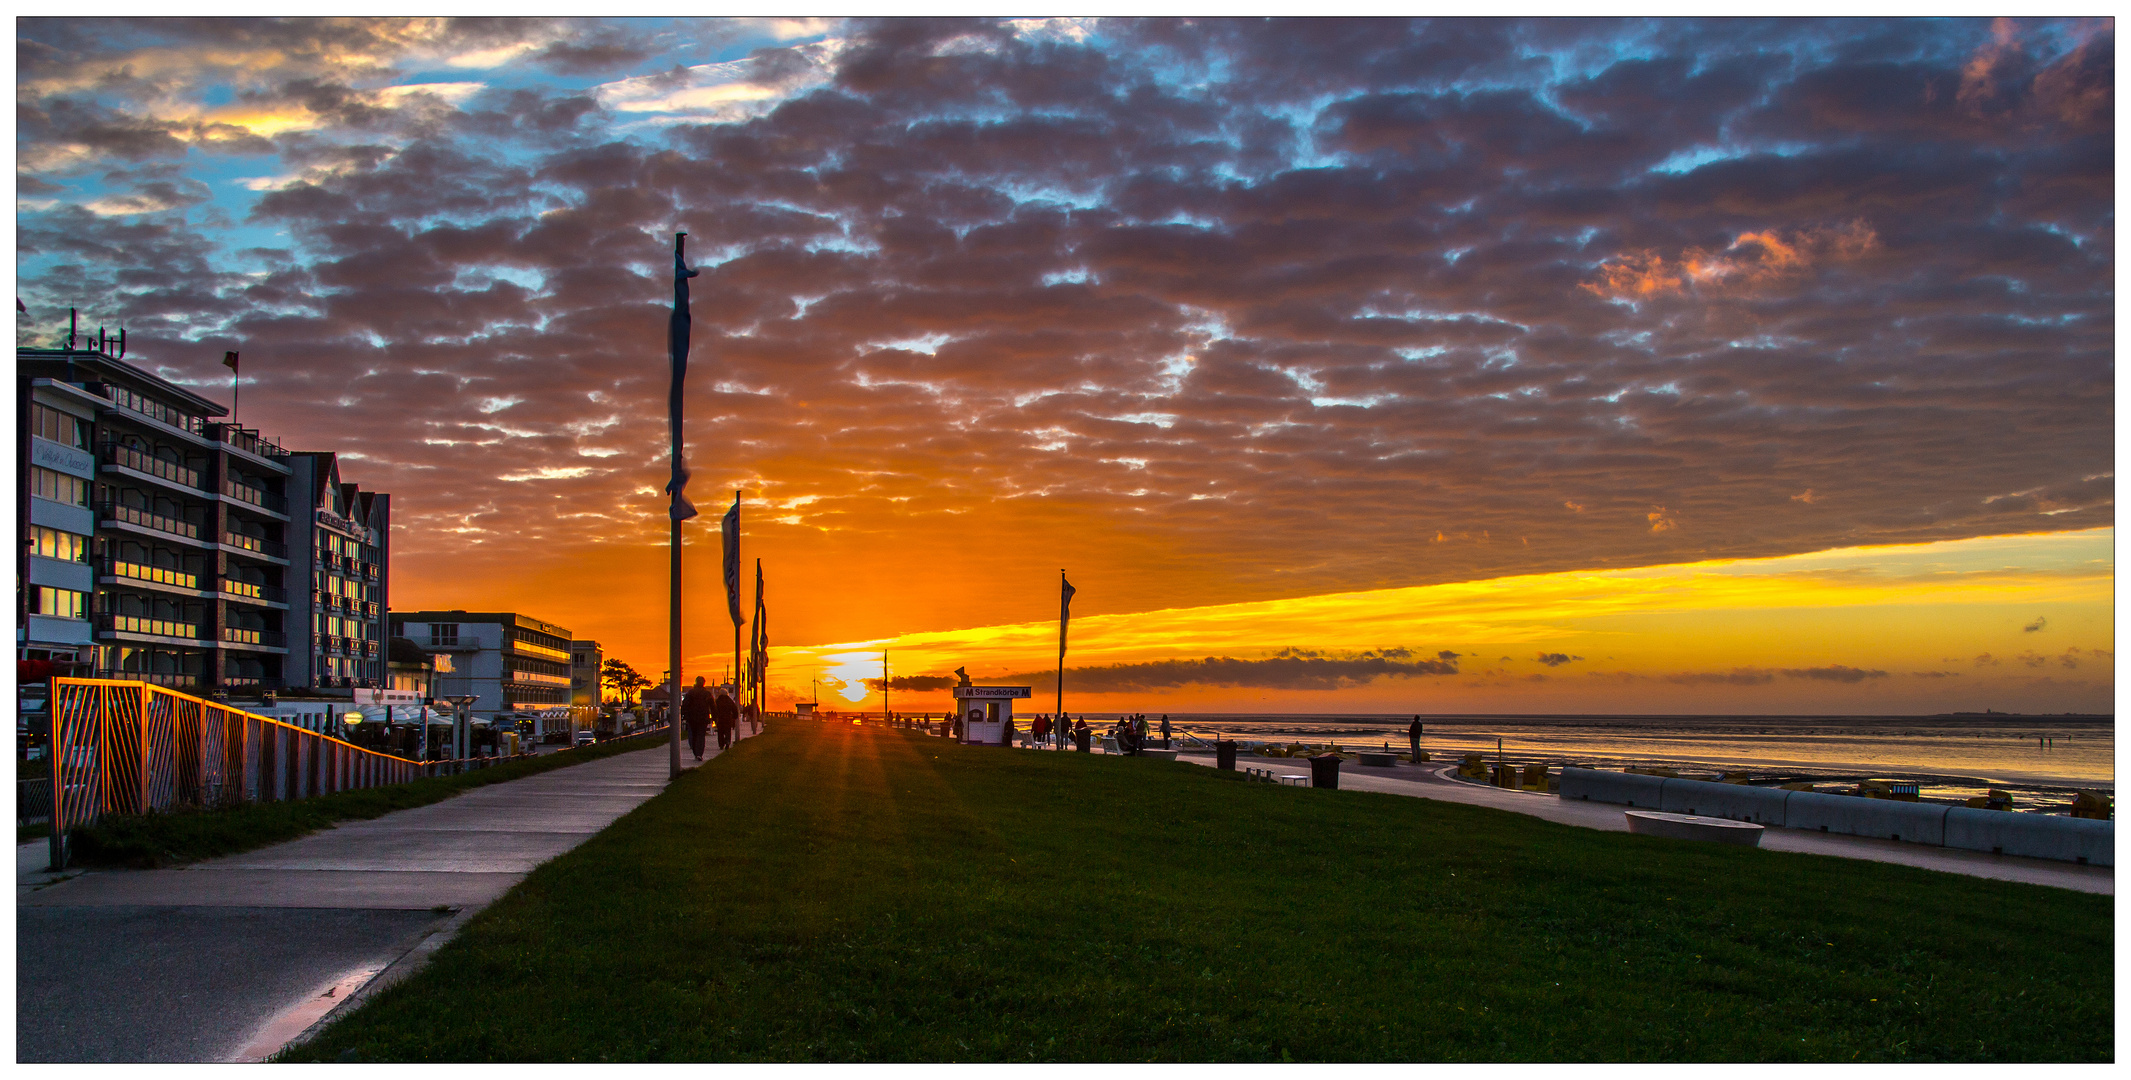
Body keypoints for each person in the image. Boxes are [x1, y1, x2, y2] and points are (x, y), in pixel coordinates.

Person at [682, 677, 714, 761]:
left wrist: (684, 714)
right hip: (703, 717)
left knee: (694, 734)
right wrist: (714, 716)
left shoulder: (690, 693)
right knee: (701, 735)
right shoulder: (707, 694)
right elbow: (713, 706)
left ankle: (696, 752)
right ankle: (699, 753)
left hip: (692, 717)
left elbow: (685, 704)